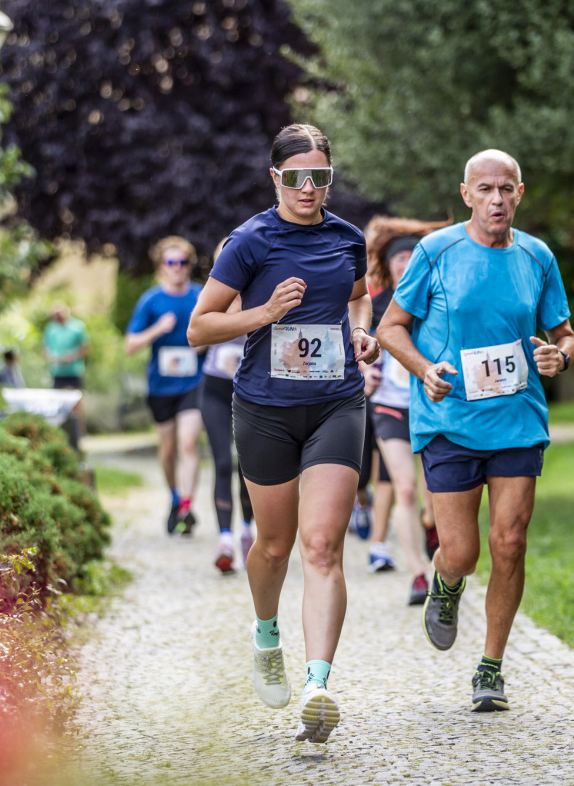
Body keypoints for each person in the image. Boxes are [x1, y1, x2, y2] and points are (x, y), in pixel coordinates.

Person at [187, 123, 379, 744]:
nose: (308, 188)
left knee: (322, 547)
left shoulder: (348, 238)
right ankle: (266, 632)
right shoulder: (249, 242)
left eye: (320, 177)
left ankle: (319, 685)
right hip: (265, 407)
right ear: (276, 178)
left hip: (337, 403)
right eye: (296, 177)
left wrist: (360, 331)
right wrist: (265, 314)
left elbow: (357, 297)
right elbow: (200, 328)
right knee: (274, 544)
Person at [377, 150, 574, 713]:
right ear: (466, 194)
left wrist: (559, 359)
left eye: (506, 189)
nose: (497, 199)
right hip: (449, 421)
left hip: (517, 419)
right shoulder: (436, 251)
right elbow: (391, 327)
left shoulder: (537, 257)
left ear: (520, 193)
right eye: (485, 189)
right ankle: (446, 582)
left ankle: (490, 667)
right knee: (462, 553)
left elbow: (565, 334)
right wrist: (424, 370)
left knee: (510, 543)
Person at [363, 216, 449, 606]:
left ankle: (432, 527)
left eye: (411, 255)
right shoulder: (377, 304)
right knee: (406, 486)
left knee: (434, 493)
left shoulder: (439, 299)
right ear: (389, 264)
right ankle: (418, 574)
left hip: (432, 404)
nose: (404, 262)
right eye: (397, 257)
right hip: (390, 406)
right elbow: (360, 345)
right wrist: (365, 369)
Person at [125, 236, 206, 536]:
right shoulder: (151, 300)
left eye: (183, 262)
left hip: (193, 383)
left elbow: (217, 329)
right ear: (161, 266)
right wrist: (158, 329)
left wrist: (203, 343)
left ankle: (187, 506)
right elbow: (130, 345)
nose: (178, 268)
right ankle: (173, 495)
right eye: (171, 262)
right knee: (169, 448)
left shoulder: (200, 296)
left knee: (188, 442)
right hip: (160, 386)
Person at [199, 241, 256, 574]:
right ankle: (224, 538)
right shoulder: (212, 295)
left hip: (250, 392)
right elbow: (198, 337)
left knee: (247, 466)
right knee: (222, 461)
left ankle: (248, 529)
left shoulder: (261, 291)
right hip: (216, 389)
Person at [42, 304, 89, 429]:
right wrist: (53, 358)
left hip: (73, 371)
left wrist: (72, 356)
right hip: (57, 371)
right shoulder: (50, 328)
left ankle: (80, 431)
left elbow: (85, 348)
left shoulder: (77, 327)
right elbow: (45, 349)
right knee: (56, 403)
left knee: (76, 402)